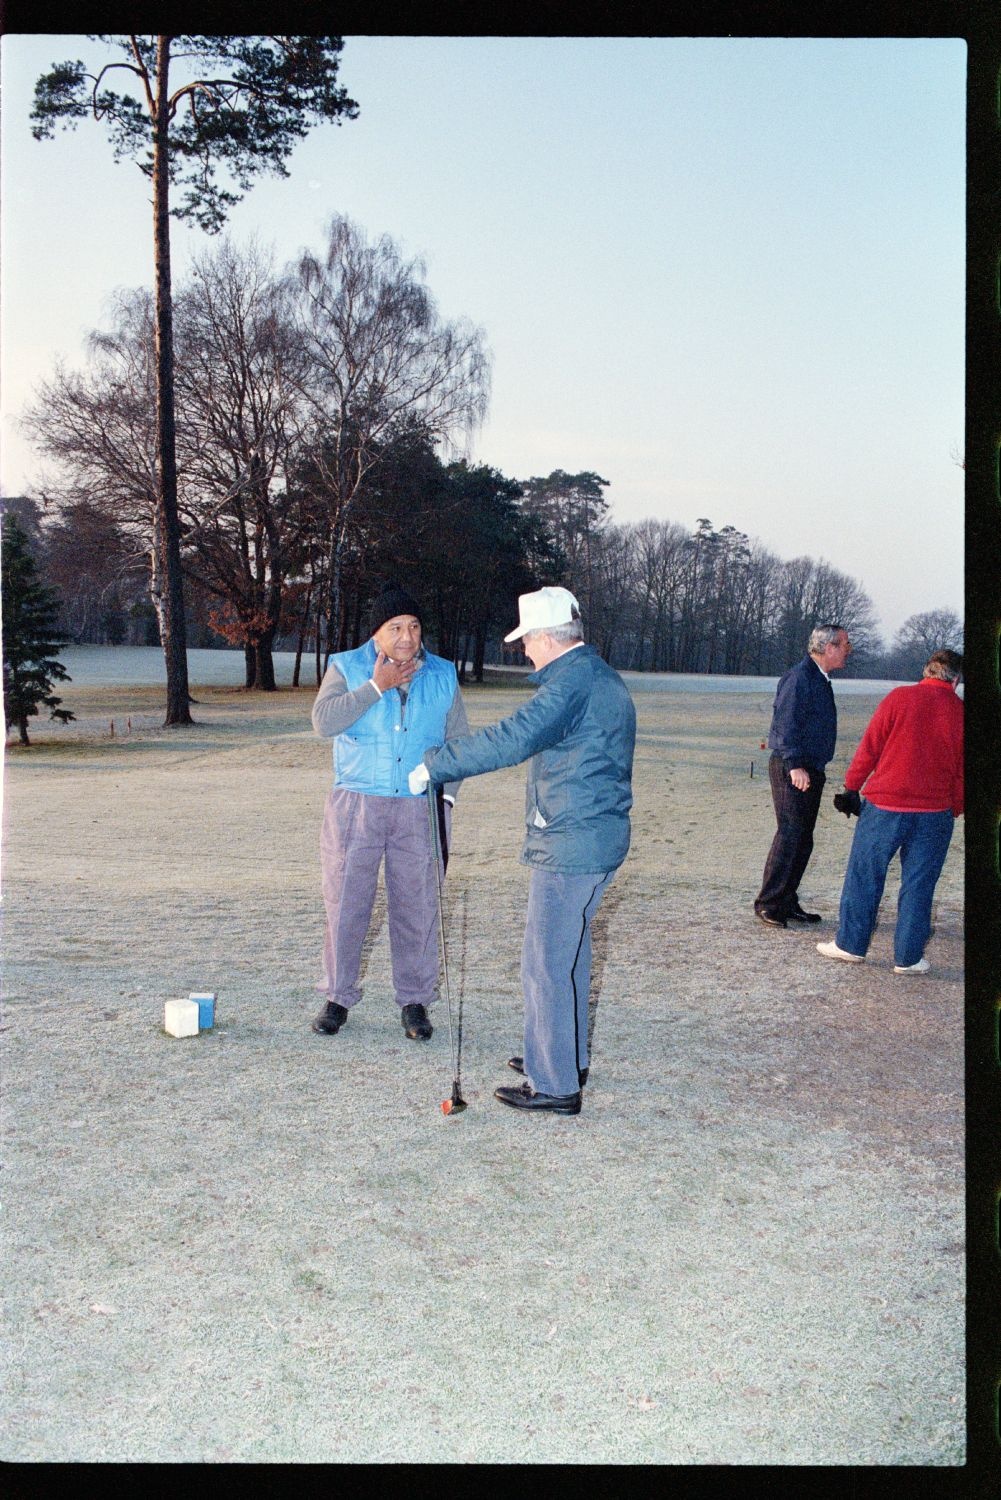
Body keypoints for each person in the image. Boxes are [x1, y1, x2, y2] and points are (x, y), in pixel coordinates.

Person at [409, 585, 636, 1116]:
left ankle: (555, 1083)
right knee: (570, 957)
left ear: (546, 637)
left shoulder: (573, 682)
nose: (525, 651)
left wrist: (439, 762)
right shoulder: (593, 675)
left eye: (527, 640)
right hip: (592, 835)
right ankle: (563, 1056)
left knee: (545, 963)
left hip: (572, 842)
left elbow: (514, 737)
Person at [310, 583, 469, 1040]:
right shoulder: (345, 667)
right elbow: (324, 722)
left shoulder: (442, 674)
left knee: (417, 906)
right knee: (346, 904)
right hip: (356, 806)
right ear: (376, 633)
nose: (406, 636)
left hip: (418, 808)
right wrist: (375, 688)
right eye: (395, 627)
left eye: (414, 627)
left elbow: (458, 741)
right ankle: (337, 997)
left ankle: (415, 1001)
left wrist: (447, 795)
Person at [816, 648, 963, 974]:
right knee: (919, 885)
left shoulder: (899, 698)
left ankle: (850, 945)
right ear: (955, 679)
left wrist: (851, 786)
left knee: (864, 876)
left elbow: (871, 745)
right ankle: (908, 958)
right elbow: (964, 770)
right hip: (934, 812)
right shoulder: (961, 712)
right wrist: (955, 806)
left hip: (884, 806)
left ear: (926, 672)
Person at [754, 623, 852, 927]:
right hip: (792, 767)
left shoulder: (819, 678)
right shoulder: (799, 677)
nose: (848, 649)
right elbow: (785, 724)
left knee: (802, 838)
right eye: (845, 644)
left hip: (810, 768)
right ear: (828, 647)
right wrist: (794, 764)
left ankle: (786, 900)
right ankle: (769, 902)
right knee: (790, 835)